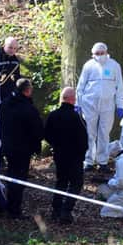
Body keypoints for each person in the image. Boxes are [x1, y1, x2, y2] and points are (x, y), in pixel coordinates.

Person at [0, 78, 44, 218]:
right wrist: (36, 146)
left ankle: (10, 205)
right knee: (19, 178)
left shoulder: (4, 105)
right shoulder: (28, 109)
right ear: (28, 90)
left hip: (8, 146)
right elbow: (37, 130)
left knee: (11, 174)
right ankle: (14, 210)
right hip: (23, 149)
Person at [76, 42, 123, 173]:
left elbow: (119, 87)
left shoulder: (114, 65)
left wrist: (120, 105)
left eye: (102, 53)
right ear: (93, 55)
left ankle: (102, 161)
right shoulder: (88, 66)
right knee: (90, 133)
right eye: (97, 54)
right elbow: (80, 86)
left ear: (106, 52)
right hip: (89, 104)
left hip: (108, 104)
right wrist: (78, 103)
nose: (100, 56)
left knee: (104, 133)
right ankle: (89, 160)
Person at [44, 87, 89, 224]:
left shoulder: (53, 115)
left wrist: (56, 145)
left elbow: (46, 134)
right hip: (74, 156)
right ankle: (66, 210)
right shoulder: (77, 117)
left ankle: (56, 209)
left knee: (61, 181)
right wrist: (82, 153)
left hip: (60, 154)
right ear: (71, 99)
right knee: (76, 183)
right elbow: (83, 138)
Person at [0, 37, 22, 102]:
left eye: (15, 48)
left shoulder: (15, 60)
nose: (12, 50)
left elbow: (17, 76)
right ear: (4, 46)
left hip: (9, 91)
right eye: (10, 47)